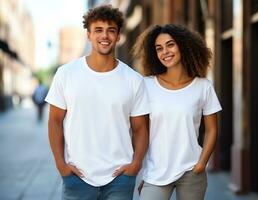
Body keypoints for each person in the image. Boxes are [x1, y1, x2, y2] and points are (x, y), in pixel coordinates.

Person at [45, 4, 150, 200]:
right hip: (77, 177)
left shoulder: (134, 80)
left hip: (120, 179)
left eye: (111, 30)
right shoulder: (66, 74)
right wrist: (61, 165)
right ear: (88, 34)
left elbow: (141, 129)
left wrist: (136, 164)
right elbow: (54, 121)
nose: (105, 36)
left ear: (118, 36)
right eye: (98, 30)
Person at [133, 24, 222, 200]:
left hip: (191, 171)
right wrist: (141, 168)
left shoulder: (203, 86)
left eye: (170, 44)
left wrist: (202, 163)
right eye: (159, 48)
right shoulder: (147, 85)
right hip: (156, 172)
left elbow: (212, 129)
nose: (165, 51)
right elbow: (139, 130)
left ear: (183, 45)